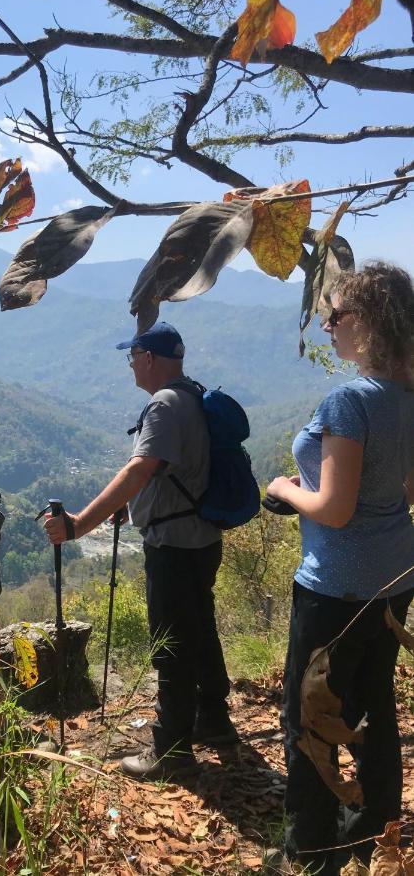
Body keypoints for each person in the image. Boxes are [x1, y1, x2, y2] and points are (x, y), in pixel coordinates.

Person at [266, 262, 414, 874]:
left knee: (311, 717)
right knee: (374, 701)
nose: (328, 326)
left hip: (335, 587)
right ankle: (377, 830)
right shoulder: (407, 396)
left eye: (337, 315)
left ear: (367, 322)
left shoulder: (350, 399)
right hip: (394, 578)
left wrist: (283, 486)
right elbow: (405, 492)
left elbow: (334, 507)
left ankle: (312, 850)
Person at [44, 321, 237, 781]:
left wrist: (76, 525)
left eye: (131, 357)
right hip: (200, 536)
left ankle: (171, 749)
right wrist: (138, 508)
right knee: (199, 627)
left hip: (173, 546)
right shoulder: (191, 394)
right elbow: (175, 472)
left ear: (147, 357)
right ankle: (213, 718)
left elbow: (138, 470)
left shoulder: (164, 404)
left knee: (170, 643)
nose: (130, 365)